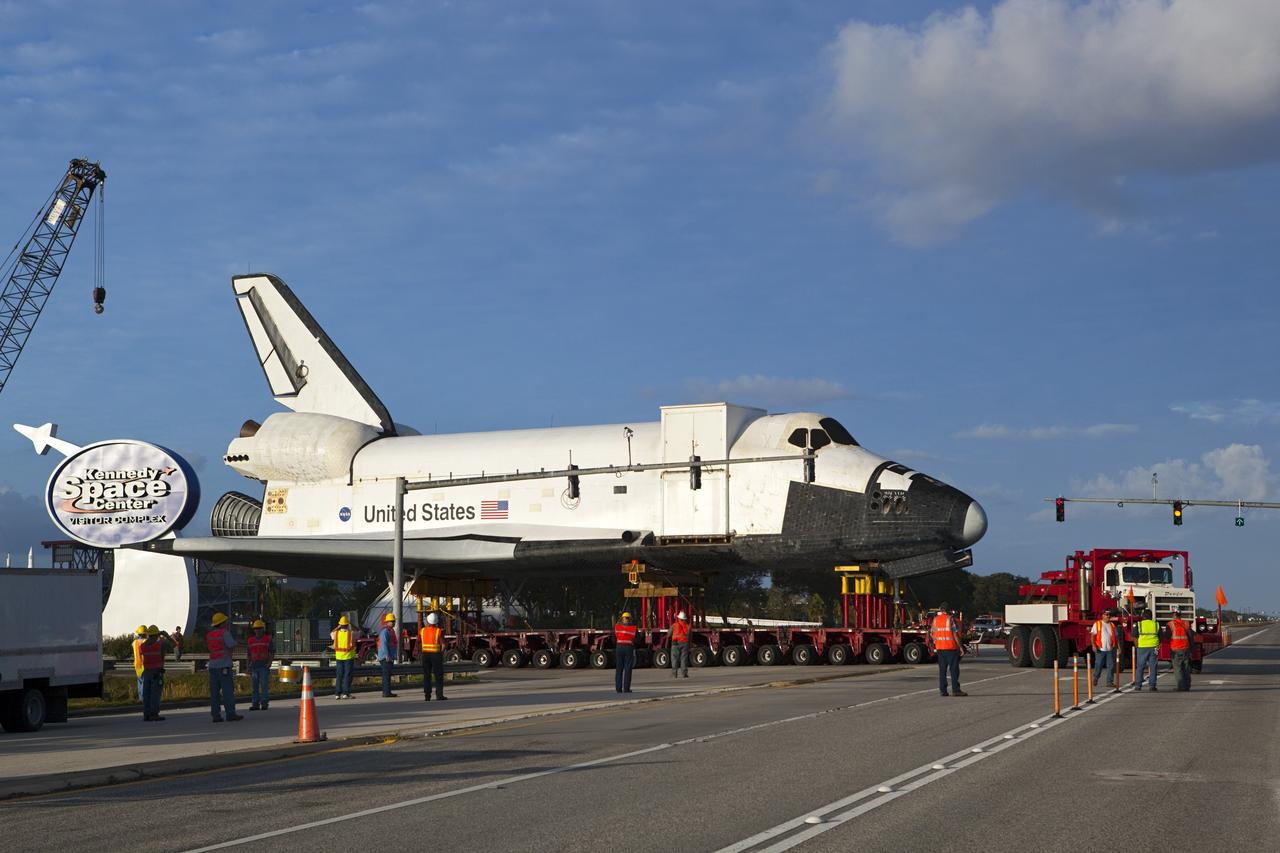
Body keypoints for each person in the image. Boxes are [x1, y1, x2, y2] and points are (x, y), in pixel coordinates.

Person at [207, 612, 243, 722]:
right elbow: (231, 644)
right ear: (222, 623)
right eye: (225, 621)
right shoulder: (224, 633)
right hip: (224, 666)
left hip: (213, 666)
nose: (227, 623)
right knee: (227, 691)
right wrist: (237, 642)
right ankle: (230, 713)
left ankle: (216, 715)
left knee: (214, 693)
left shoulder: (210, 635)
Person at [931, 603, 966, 697]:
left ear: (941, 610)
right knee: (954, 670)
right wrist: (961, 647)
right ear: (948, 610)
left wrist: (936, 642)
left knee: (942, 671)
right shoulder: (950, 619)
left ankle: (943, 690)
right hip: (951, 648)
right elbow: (955, 634)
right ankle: (956, 690)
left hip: (940, 649)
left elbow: (932, 633)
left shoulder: (935, 620)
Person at [140, 625, 166, 722]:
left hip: (147, 671)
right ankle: (154, 714)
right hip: (157, 672)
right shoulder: (160, 644)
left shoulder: (143, 646)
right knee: (155, 694)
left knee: (147, 694)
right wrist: (164, 635)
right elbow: (173, 645)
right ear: (156, 634)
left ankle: (146, 714)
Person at [419, 612, 446, 701]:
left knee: (427, 675)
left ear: (427, 621)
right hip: (436, 655)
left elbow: (418, 643)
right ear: (436, 622)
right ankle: (439, 695)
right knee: (438, 675)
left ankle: (427, 696)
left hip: (425, 655)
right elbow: (443, 645)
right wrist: (441, 654)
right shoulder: (439, 631)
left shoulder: (422, 630)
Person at [246, 619, 273, 711]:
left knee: (264, 685)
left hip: (263, 665)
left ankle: (264, 703)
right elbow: (249, 654)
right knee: (254, 686)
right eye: (256, 628)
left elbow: (271, 653)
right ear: (254, 630)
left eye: (259, 628)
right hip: (254, 665)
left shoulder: (267, 639)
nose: (258, 630)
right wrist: (248, 666)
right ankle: (255, 704)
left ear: (263, 629)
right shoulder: (250, 640)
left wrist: (269, 663)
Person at [1090, 609, 1118, 687]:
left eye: (1109, 615)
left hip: (1110, 649)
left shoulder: (1112, 625)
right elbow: (1092, 636)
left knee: (1111, 666)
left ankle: (1109, 682)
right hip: (1100, 649)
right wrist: (1093, 645)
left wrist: (1118, 647)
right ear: (1102, 616)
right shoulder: (1097, 624)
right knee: (1098, 664)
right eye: (1106, 614)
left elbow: (1116, 637)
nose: (1108, 616)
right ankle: (1096, 678)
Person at [1134, 608, 1160, 691]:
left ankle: (1138, 685)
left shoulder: (1139, 624)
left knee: (1140, 666)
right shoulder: (1156, 624)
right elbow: (1161, 637)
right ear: (1151, 616)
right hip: (1154, 648)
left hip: (1142, 647)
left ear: (1143, 616)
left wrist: (1137, 645)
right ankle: (1152, 686)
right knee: (1153, 667)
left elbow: (1134, 636)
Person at [1168, 606, 1192, 691]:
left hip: (1176, 649)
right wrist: (1191, 649)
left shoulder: (1171, 624)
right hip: (1185, 648)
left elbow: (1167, 637)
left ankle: (1181, 686)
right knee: (1186, 668)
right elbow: (1190, 637)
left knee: (1178, 669)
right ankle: (1187, 686)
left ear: (1174, 615)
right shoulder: (1186, 623)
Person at [332, 615, 357, 699]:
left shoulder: (336, 633)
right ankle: (345, 693)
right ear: (347, 625)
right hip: (348, 657)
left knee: (339, 675)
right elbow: (360, 632)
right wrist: (352, 625)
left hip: (339, 657)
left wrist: (338, 627)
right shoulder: (351, 633)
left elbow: (331, 633)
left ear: (340, 625)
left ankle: (337, 694)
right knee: (347, 675)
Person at [614, 611, 637, 694]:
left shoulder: (617, 627)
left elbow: (614, 638)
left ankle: (618, 689)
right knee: (628, 669)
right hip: (628, 648)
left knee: (619, 669)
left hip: (619, 648)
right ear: (630, 619)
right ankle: (626, 688)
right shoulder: (633, 628)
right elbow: (637, 639)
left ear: (622, 618)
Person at [377, 613, 399, 698]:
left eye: (394, 621)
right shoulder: (385, 632)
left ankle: (387, 691)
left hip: (389, 656)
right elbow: (384, 644)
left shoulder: (391, 631)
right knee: (386, 675)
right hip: (385, 657)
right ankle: (386, 692)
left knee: (388, 675)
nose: (393, 623)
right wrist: (387, 655)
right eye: (392, 621)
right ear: (387, 622)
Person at [670, 611, 690, 678]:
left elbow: (668, 634)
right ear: (685, 619)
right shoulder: (688, 627)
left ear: (679, 618)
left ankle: (674, 674)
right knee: (683, 659)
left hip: (675, 643)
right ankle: (684, 674)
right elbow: (690, 636)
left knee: (674, 659)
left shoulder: (674, 625)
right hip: (685, 643)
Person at [132, 624, 147, 701]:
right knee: (144, 682)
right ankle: (143, 699)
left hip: (137, 664)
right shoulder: (145, 641)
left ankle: (140, 698)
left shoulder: (134, 642)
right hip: (144, 664)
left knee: (139, 681)